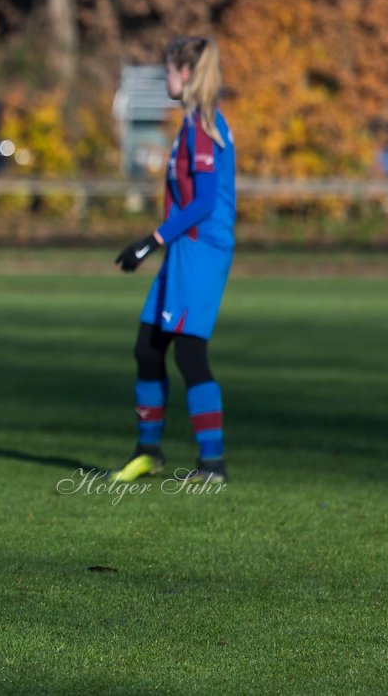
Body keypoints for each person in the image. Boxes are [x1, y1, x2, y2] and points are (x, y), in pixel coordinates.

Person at [112, 36, 235, 483]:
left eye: (167, 70)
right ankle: (148, 451)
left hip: (200, 250)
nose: (165, 78)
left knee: (189, 353)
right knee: (148, 349)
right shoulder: (191, 124)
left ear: (185, 74)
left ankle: (213, 464)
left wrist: (150, 240)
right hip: (185, 248)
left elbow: (203, 202)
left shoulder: (202, 126)